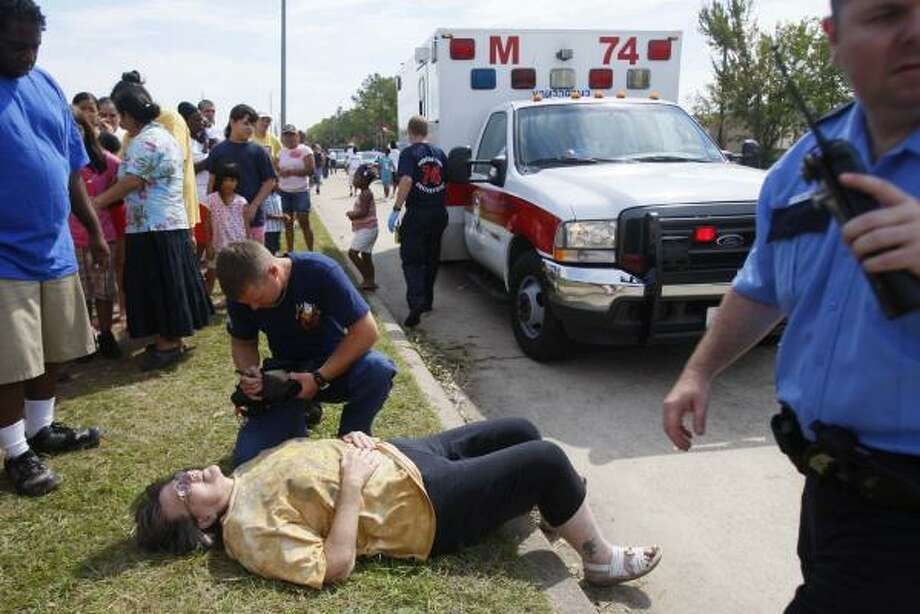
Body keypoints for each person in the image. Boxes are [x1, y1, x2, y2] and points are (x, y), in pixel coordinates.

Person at [663, 2, 920, 612]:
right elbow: (763, 285)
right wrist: (698, 371)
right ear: (833, 39)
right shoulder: (800, 166)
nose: (915, 31)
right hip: (834, 489)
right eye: (888, 13)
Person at [133, 417, 662, 589]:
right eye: (182, 493)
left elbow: (314, 463)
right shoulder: (247, 532)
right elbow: (332, 567)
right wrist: (354, 486)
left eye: (177, 479)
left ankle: (556, 508)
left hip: (405, 456)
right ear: (202, 523)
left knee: (519, 428)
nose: (186, 478)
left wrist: (354, 441)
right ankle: (597, 559)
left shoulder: (243, 471)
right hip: (422, 508)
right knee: (544, 459)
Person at [0, 0, 107, 496]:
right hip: (5, 256)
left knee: (54, 348)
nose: (27, 55)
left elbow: (71, 167)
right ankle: (16, 451)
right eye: (16, 45)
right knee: (11, 360)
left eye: (34, 46)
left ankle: (42, 428)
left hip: (55, 248)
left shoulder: (45, 84)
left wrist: (94, 229)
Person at [215, 241, 397, 467]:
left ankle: (351, 437)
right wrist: (250, 373)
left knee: (378, 369)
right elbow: (243, 341)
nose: (253, 308)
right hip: (286, 376)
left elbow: (366, 331)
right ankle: (299, 415)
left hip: (332, 367)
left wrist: (319, 378)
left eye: (258, 299)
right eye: (246, 303)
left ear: (273, 271)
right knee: (248, 459)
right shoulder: (243, 292)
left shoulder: (319, 272)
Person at [92, 80, 212, 371]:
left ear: (128, 114)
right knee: (167, 283)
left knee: (159, 285)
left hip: (154, 226)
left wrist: (95, 203)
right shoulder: (160, 134)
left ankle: (167, 343)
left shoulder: (146, 141)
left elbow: (132, 181)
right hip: (161, 224)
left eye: (119, 115)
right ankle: (169, 338)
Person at [115, 72, 200, 235]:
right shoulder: (131, 132)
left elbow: (167, 163)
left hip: (168, 217)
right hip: (142, 220)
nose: (120, 121)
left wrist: (98, 202)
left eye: (121, 113)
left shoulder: (167, 120)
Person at [69, 109, 121, 359]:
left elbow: (122, 183)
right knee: (80, 292)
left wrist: (105, 199)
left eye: (79, 128)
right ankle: (85, 337)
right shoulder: (60, 160)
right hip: (70, 238)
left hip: (103, 235)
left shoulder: (107, 161)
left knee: (104, 289)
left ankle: (107, 334)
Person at [389, 116, 448, 328]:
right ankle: (428, 300)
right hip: (439, 213)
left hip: (418, 213)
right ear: (427, 132)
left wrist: (396, 209)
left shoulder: (408, 153)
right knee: (432, 258)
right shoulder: (439, 153)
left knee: (412, 259)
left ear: (409, 132)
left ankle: (416, 301)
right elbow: (445, 180)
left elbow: (406, 180)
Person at [207, 104, 276, 245]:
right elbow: (211, 182)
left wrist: (254, 206)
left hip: (253, 219)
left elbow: (270, 181)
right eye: (245, 123)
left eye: (252, 124)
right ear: (232, 122)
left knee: (254, 263)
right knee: (226, 262)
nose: (249, 128)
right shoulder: (218, 150)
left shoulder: (259, 151)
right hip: (223, 223)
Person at [178, 101, 214, 290]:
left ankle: (202, 285)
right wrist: (210, 160)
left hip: (208, 199)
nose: (201, 123)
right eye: (196, 119)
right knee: (196, 247)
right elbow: (186, 169)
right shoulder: (180, 141)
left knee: (208, 245)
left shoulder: (204, 139)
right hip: (193, 200)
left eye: (201, 119)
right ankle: (192, 285)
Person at [204, 163, 252, 294]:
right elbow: (207, 224)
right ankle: (205, 304)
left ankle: (232, 303)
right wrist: (208, 246)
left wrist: (249, 245)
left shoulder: (241, 201)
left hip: (236, 247)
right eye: (225, 180)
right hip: (216, 246)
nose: (228, 183)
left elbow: (246, 225)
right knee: (211, 275)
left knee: (234, 278)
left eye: (232, 180)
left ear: (237, 182)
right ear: (219, 180)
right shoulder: (211, 199)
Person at [277, 124, 314, 251]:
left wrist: (292, 172)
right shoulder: (281, 151)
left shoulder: (305, 150)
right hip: (284, 192)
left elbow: (311, 170)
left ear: (297, 136)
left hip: (301, 192)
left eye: (292, 135)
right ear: (282, 138)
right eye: (286, 135)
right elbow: (276, 168)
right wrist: (279, 173)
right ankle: (290, 252)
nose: (289, 138)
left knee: (304, 223)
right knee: (287, 224)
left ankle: (311, 252)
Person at [346, 164, 378, 290]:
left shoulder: (366, 194)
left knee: (352, 253)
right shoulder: (364, 193)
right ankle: (370, 281)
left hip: (368, 229)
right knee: (366, 256)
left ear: (364, 180)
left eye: (356, 177)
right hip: (369, 229)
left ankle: (368, 279)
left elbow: (363, 212)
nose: (354, 180)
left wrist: (352, 215)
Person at [262, 182, 285, 255]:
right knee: (269, 248)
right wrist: (281, 217)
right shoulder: (263, 197)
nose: (278, 184)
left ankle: (275, 256)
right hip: (268, 229)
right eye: (276, 182)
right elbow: (265, 214)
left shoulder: (277, 196)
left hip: (277, 227)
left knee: (276, 245)